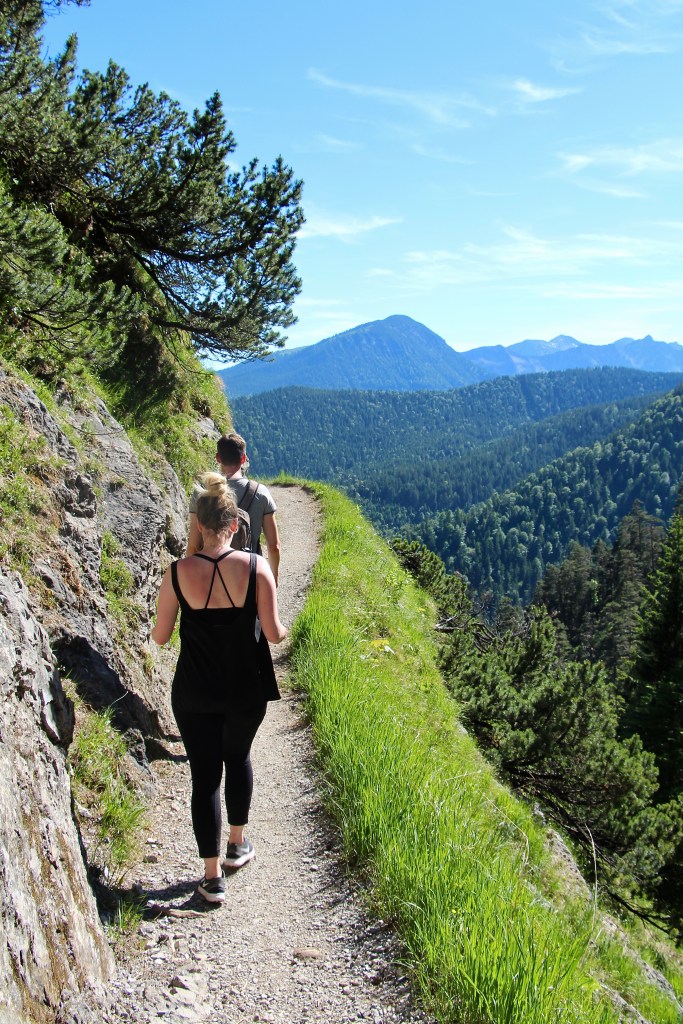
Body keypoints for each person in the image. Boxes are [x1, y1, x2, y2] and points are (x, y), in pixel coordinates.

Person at [152, 474, 287, 904]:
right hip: (245, 688)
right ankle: (236, 845)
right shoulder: (256, 568)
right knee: (238, 756)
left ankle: (211, 879)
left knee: (204, 776)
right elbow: (273, 633)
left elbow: (159, 636)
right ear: (234, 525)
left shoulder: (176, 574)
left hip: (194, 690)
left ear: (200, 525)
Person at [187, 433, 281, 585]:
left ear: (218, 458)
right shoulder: (261, 493)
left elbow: (193, 544)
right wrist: (273, 577)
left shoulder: (202, 492)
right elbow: (273, 546)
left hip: (210, 576)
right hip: (248, 576)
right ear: (243, 459)